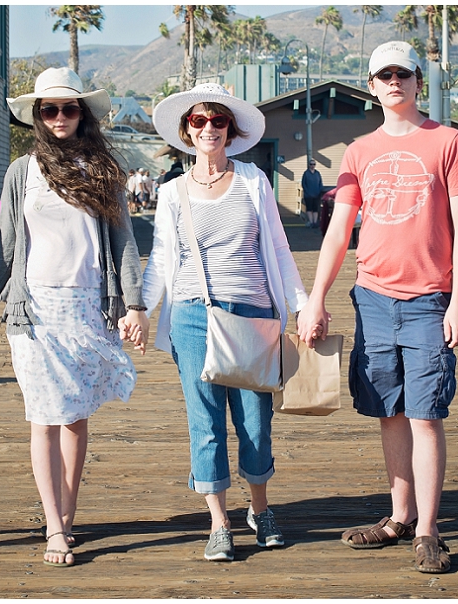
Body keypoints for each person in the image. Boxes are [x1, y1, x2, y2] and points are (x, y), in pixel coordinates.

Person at [297, 41, 458, 575]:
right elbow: (339, 231)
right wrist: (316, 299)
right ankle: (400, 517)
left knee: (426, 414)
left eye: (403, 73)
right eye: (384, 75)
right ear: (372, 87)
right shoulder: (359, 151)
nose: (394, 82)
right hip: (373, 298)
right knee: (389, 411)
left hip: (429, 300)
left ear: (418, 82)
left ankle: (429, 531)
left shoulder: (447, 142)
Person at [0, 67, 149, 568]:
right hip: (33, 309)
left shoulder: (104, 170)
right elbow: (6, 245)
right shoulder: (22, 172)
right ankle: (53, 526)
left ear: (83, 113)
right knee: (43, 417)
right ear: (37, 116)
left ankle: (68, 513)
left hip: (87, 306)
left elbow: (124, 242)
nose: (59, 117)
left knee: (75, 416)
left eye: (69, 108)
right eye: (49, 109)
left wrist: (135, 304)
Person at [143, 82, 308, 562]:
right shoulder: (172, 192)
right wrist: (141, 310)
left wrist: (303, 305)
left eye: (218, 121)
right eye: (200, 120)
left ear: (230, 130)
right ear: (187, 130)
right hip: (193, 317)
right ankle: (219, 522)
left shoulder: (254, 181)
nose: (209, 128)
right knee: (206, 423)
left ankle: (260, 509)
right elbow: (161, 259)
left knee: (255, 422)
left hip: (253, 316)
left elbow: (278, 247)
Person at [301, 159, 324, 228]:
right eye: (311, 164)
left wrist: (319, 191)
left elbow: (320, 183)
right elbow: (303, 184)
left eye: (314, 164)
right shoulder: (306, 173)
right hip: (308, 195)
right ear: (309, 165)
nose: (312, 166)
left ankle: (315, 222)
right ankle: (311, 222)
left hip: (316, 195)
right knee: (309, 209)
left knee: (315, 209)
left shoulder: (317, 173)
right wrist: (307, 192)